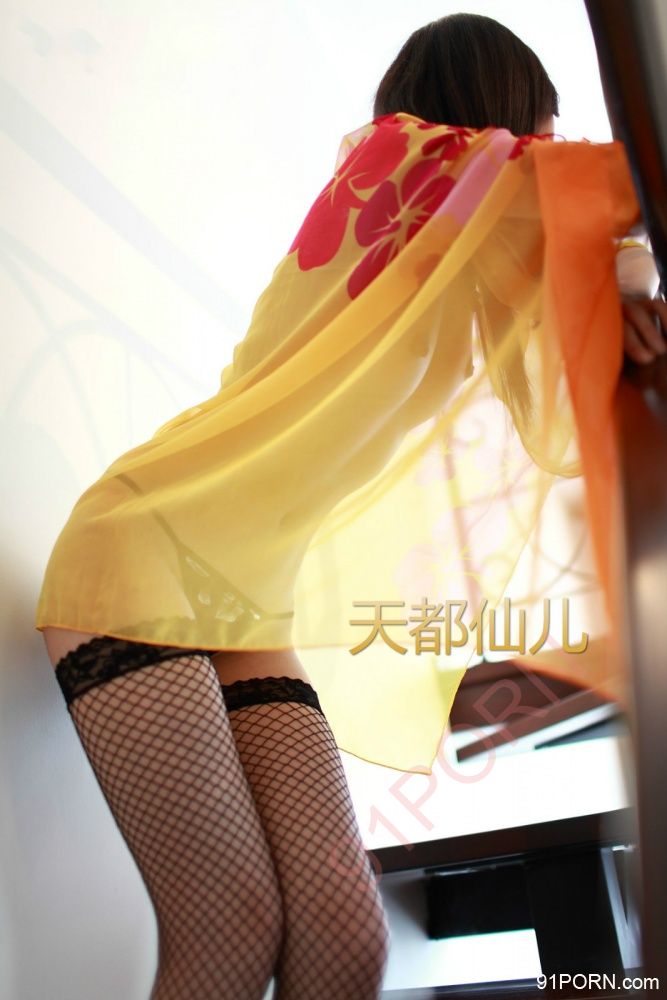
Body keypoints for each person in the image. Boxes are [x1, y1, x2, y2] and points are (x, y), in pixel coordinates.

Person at [34, 12, 661, 1000]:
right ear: (505, 111)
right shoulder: (413, 163)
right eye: (544, 118)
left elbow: (553, 410)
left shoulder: (460, 228)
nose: (552, 139)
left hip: (245, 601)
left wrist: (624, 305)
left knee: (344, 942)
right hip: (147, 546)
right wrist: (621, 261)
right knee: (229, 932)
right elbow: (626, 183)